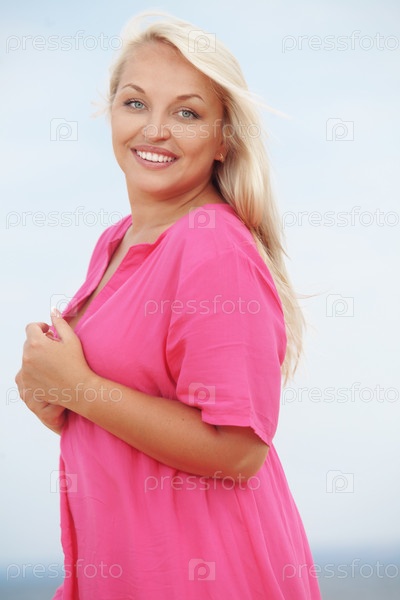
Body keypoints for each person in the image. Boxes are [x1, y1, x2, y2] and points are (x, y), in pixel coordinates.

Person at [15, 12, 321, 600]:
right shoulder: (116, 241)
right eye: (135, 103)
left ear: (223, 139)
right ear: (111, 112)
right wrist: (51, 392)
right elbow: (123, 406)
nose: (155, 130)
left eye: (187, 113)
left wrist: (78, 388)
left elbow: (238, 451)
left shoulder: (212, 245)